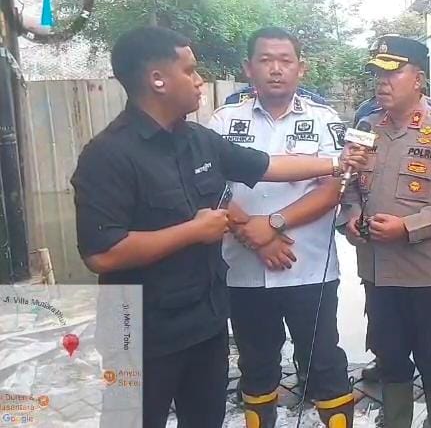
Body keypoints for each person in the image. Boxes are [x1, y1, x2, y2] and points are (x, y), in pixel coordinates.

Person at [71, 26, 366, 428]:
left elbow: (266, 166)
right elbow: (102, 252)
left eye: (286, 61)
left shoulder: (197, 139)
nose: (199, 80)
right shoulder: (108, 155)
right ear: (158, 79)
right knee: (134, 417)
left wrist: (337, 164)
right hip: (143, 327)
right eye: (191, 71)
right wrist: (215, 232)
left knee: (209, 414)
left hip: (206, 318)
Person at [205, 27, 354, 428]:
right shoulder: (222, 121)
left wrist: (273, 224)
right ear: (248, 68)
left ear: (300, 68)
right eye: (266, 60)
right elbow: (208, 186)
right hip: (243, 271)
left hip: (310, 270)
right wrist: (253, 237)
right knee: (255, 365)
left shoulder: (324, 121)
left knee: (324, 362)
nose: (276, 69)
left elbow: (335, 187)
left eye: (285, 60)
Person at [340, 35, 431, 428]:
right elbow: (348, 185)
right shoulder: (366, 129)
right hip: (379, 273)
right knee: (390, 357)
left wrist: (407, 227)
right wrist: (350, 215)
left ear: (418, 79)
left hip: (426, 275)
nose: (382, 82)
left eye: (392, 73)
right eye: (377, 74)